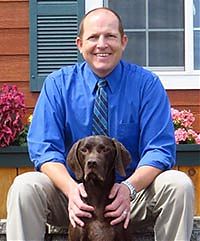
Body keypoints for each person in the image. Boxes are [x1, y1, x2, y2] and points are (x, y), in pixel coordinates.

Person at [6, 7, 194, 241]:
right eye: (93, 37)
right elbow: (44, 150)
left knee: (179, 185)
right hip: (73, 199)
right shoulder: (57, 85)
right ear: (79, 44)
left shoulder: (146, 85)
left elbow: (159, 150)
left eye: (110, 36)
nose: (102, 44)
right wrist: (71, 190)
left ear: (123, 42)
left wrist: (129, 188)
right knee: (25, 186)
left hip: (131, 197)